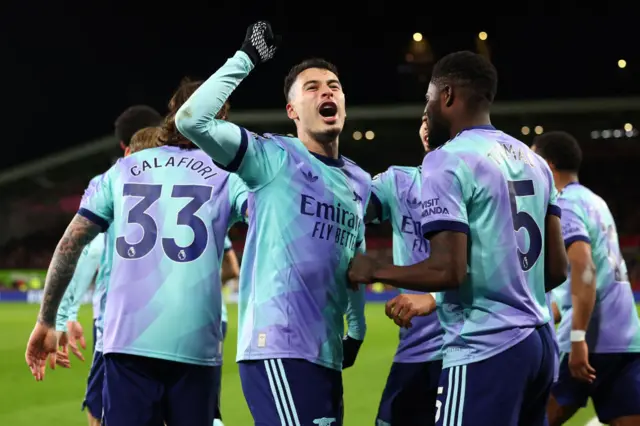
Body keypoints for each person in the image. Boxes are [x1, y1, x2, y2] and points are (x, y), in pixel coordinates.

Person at [348, 51, 568, 426]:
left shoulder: (448, 159)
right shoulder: (535, 163)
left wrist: (374, 268)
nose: (428, 107)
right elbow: (557, 269)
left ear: (446, 95)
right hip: (540, 345)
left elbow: (448, 269)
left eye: (429, 98)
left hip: (486, 346)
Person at [175, 21, 369, 426]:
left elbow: (354, 259)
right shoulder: (272, 159)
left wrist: (357, 328)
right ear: (292, 111)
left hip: (326, 353)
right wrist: (245, 58)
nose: (326, 91)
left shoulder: (359, 182)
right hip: (277, 348)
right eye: (312, 88)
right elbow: (191, 120)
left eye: (333, 85)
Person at [25, 81, 248, 426]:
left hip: (126, 341)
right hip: (196, 344)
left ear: (172, 113)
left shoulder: (122, 170)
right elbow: (272, 224)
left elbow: (70, 245)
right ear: (222, 118)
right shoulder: (230, 176)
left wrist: (48, 319)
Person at [54, 105, 162, 426]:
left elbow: (85, 249)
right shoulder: (184, 179)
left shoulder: (113, 182)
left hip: (116, 333)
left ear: (124, 148)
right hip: (177, 330)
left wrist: (65, 314)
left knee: (100, 414)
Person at [532, 131, 640, 426]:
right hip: (626, 339)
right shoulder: (596, 202)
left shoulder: (564, 205)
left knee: (539, 418)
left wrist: (578, 337)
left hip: (588, 340)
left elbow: (585, 269)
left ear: (548, 164)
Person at [366, 112, 443, 426]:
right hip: (414, 344)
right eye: (424, 119)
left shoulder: (479, 184)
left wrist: (434, 298)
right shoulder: (398, 181)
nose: (427, 125)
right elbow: (350, 208)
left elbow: (493, 260)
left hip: (464, 344)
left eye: (435, 118)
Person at [215, 235, 241, 426]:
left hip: (176, 317)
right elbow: (233, 269)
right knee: (208, 400)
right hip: (216, 316)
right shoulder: (213, 218)